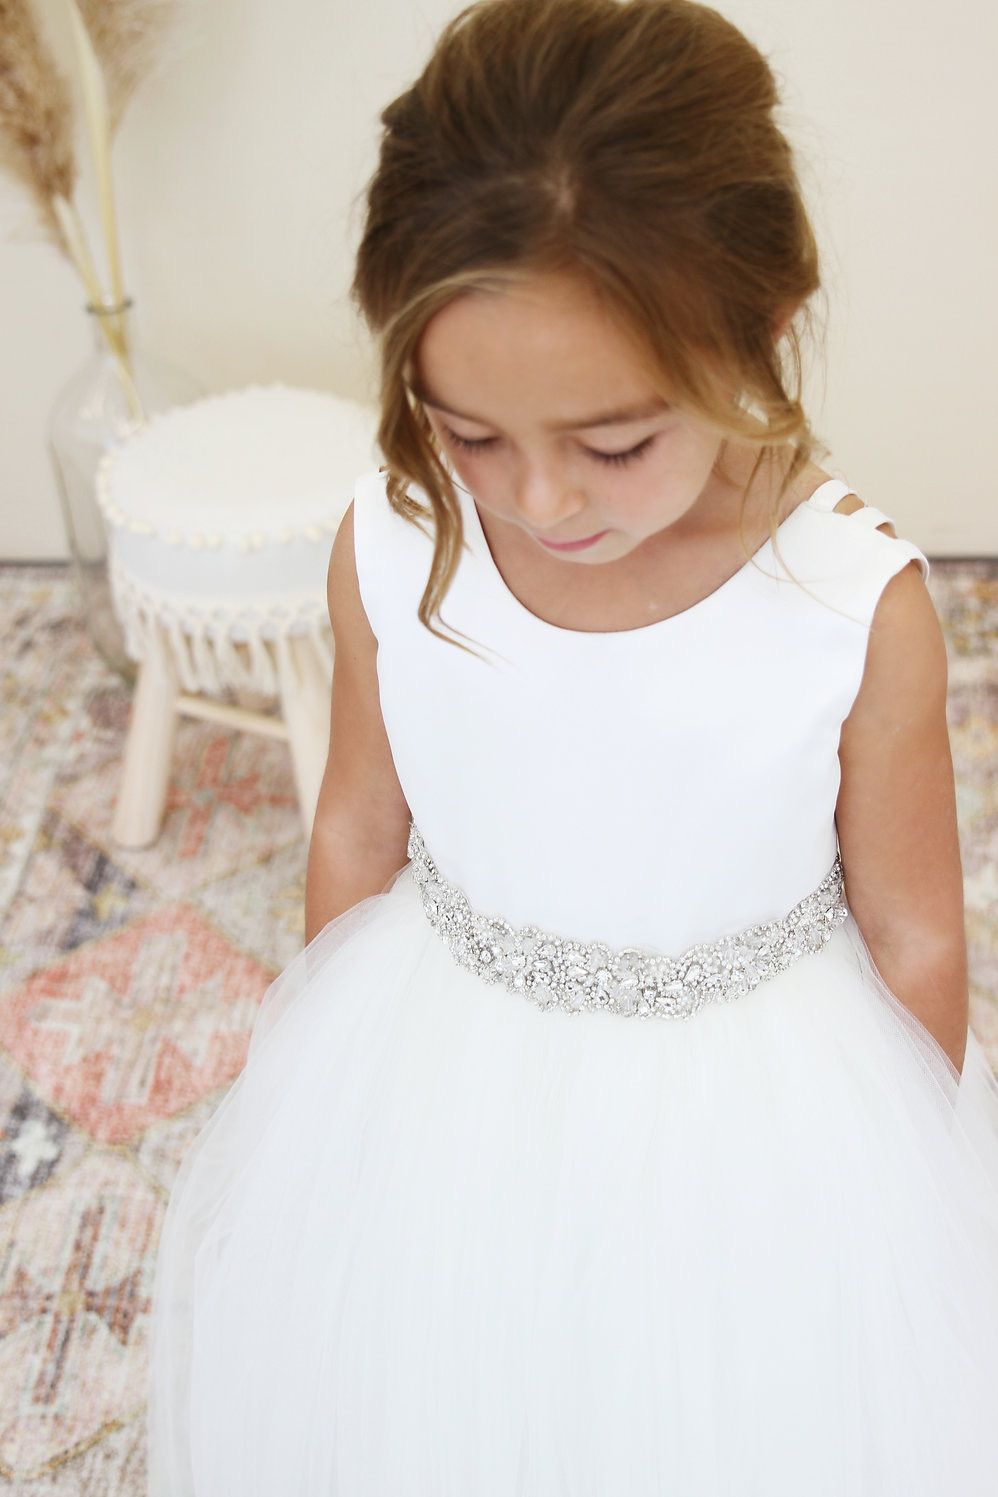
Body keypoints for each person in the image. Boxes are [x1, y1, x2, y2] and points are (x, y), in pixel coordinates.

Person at [145, 0, 998, 1491]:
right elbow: (355, 827)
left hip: (758, 1118)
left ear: (765, 328)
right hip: (451, 1057)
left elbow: (917, 929)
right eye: (467, 432)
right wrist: (334, 1124)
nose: (541, 499)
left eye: (615, 442)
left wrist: (880, 1207)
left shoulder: (851, 602)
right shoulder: (391, 539)